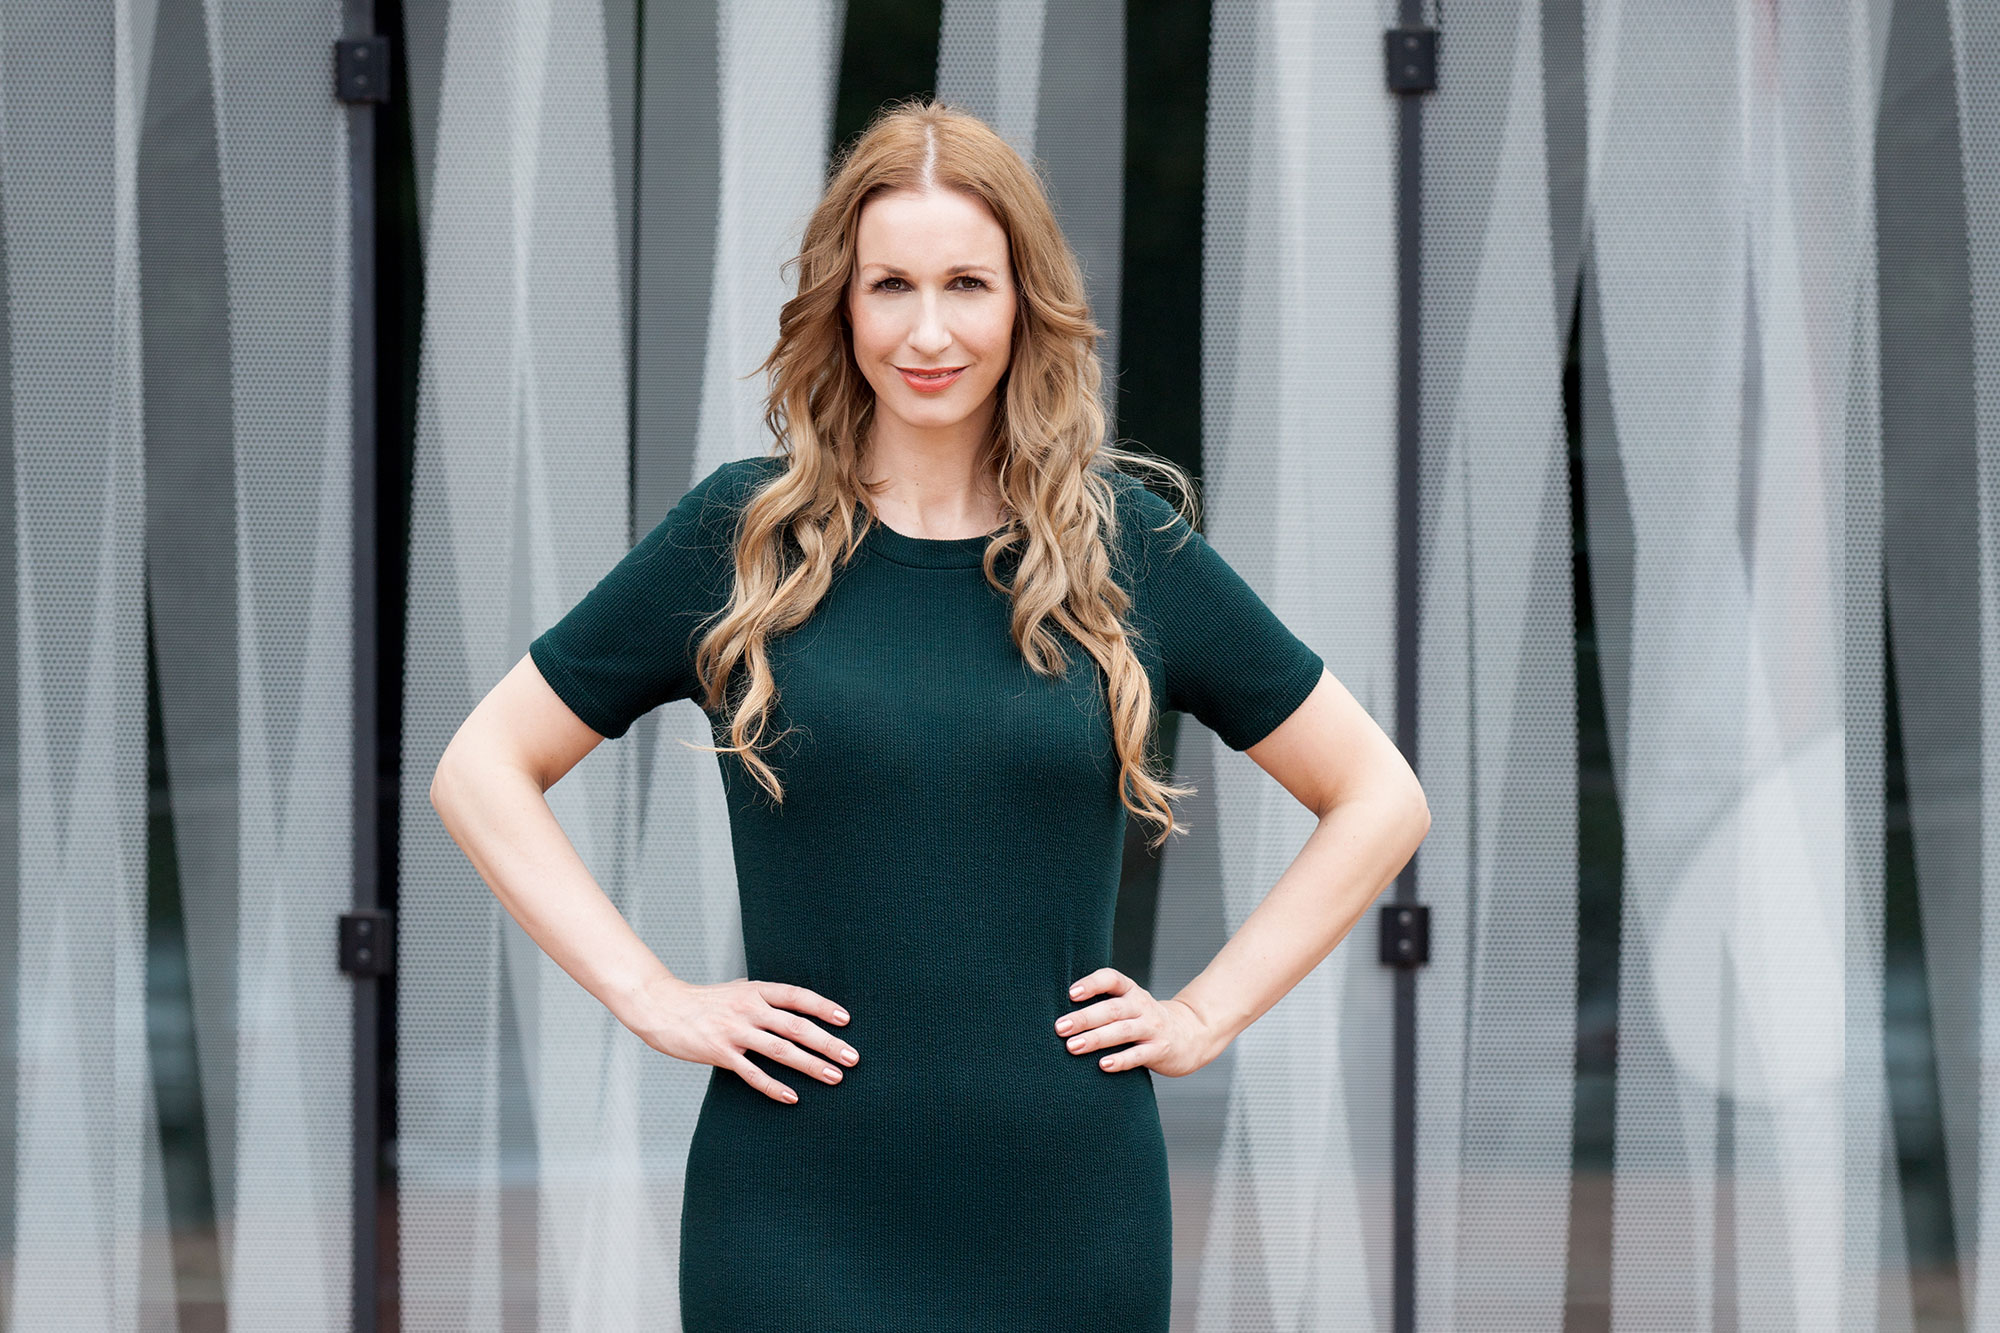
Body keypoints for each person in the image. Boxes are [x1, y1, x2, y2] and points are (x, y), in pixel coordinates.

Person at [429, 99, 1429, 1332]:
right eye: (889, 286)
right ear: (841, 306)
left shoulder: (1122, 547)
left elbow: (1378, 796)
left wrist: (1201, 1014)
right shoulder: (741, 538)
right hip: (789, 1208)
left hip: (1068, 1210)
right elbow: (480, 767)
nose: (928, 331)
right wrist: (648, 993)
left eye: (967, 284)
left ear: (1024, 302)